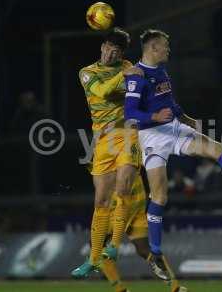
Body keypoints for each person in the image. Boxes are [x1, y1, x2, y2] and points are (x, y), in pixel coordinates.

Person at [123, 29, 222, 259]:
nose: (169, 49)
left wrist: (186, 118)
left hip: (174, 129)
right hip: (151, 137)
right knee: (159, 196)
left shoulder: (161, 70)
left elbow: (170, 102)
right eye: (165, 46)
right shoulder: (136, 76)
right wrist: (154, 118)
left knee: (216, 148)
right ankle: (155, 252)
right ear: (153, 48)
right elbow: (130, 114)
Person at [71, 28, 140, 276]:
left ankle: (114, 245)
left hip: (127, 135)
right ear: (102, 46)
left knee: (123, 189)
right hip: (102, 142)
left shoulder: (128, 65)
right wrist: (125, 73)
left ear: (122, 53)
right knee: (101, 201)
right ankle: (92, 259)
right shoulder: (87, 73)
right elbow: (101, 92)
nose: (112, 53)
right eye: (109, 47)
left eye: (118, 50)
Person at [74, 173, 188, 292]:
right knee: (143, 248)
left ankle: (120, 289)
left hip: (120, 199)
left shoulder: (107, 157)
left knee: (97, 243)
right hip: (137, 195)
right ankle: (175, 286)